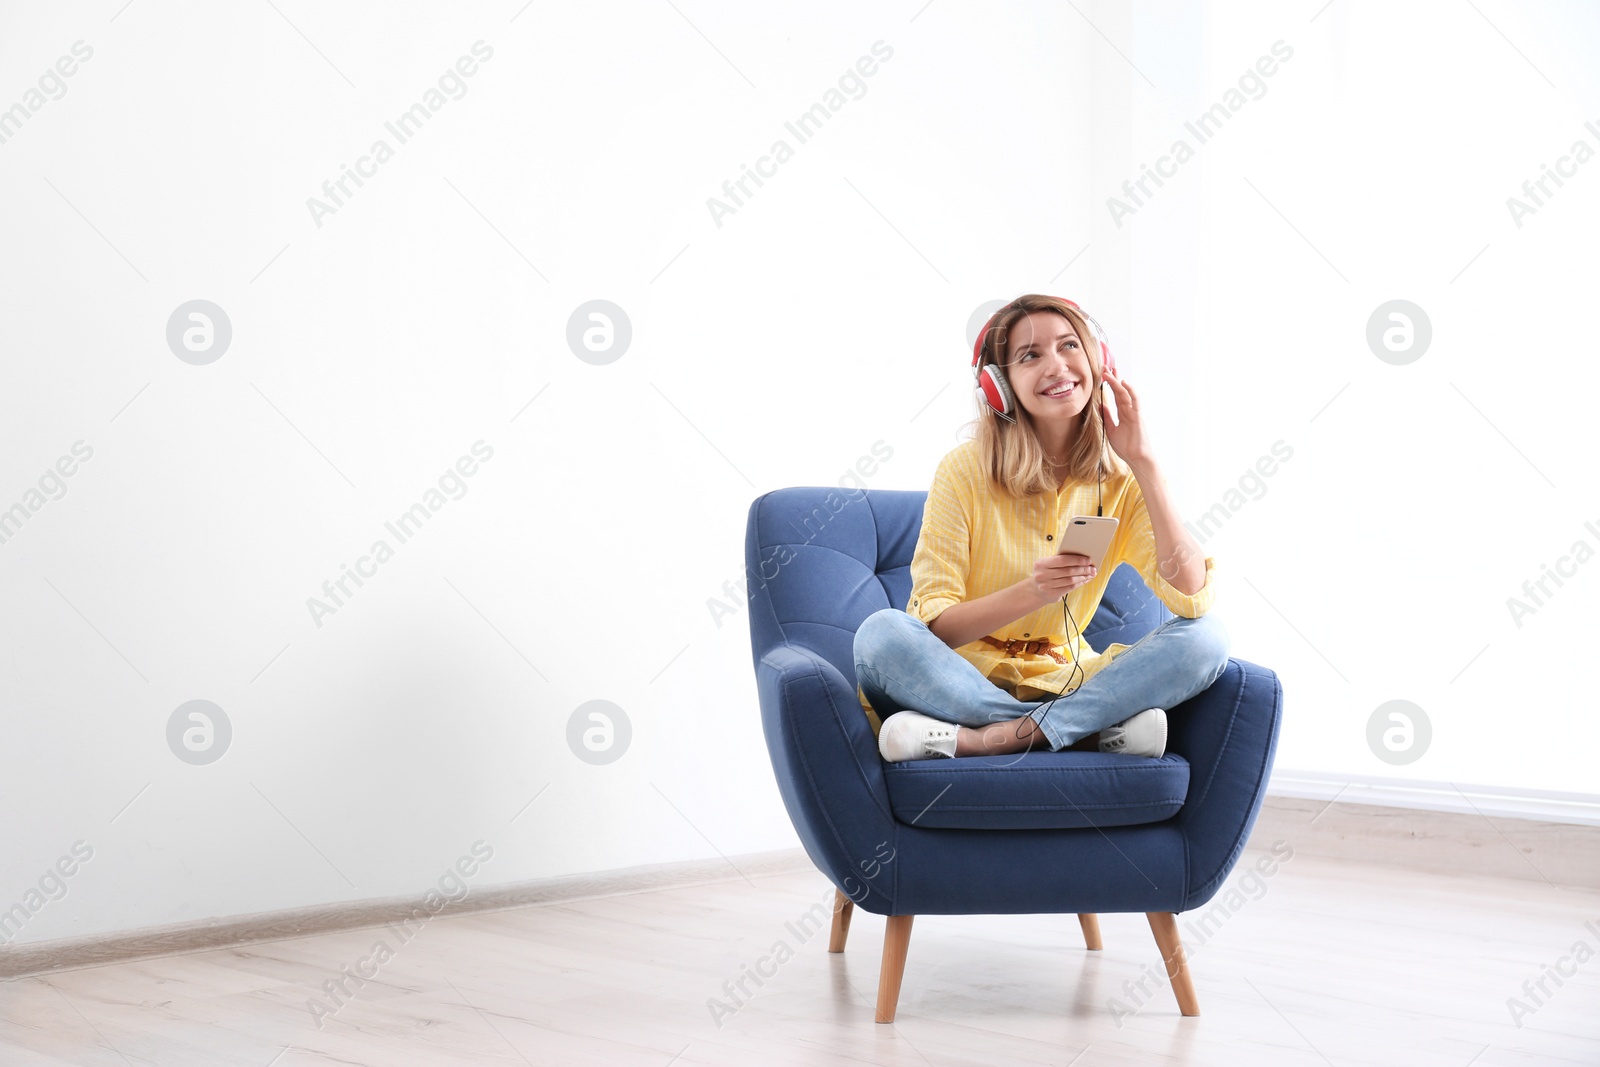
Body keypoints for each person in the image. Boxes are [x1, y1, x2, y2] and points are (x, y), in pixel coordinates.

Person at [854, 294, 1231, 763]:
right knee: (882, 634)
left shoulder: (1121, 480)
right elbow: (936, 627)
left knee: (1208, 638)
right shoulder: (962, 471)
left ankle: (988, 739)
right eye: (1030, 356)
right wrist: (1033, 591)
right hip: (959, 678)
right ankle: (1084, 733)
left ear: (1098, 362)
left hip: (1067, 678)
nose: (1057, 366)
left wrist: (1145, 464)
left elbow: (1190, 595)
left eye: (1070, 345)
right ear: (1000, 386)